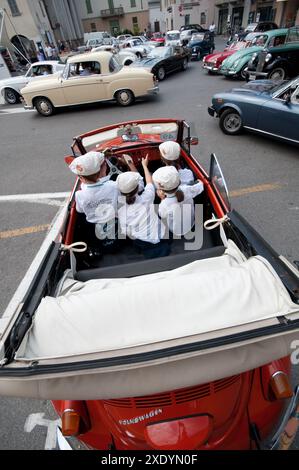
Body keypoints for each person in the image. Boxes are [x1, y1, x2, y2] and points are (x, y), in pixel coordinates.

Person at [117, 156, 170, 259]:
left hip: (143, 242)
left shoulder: (120, 210)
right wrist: (144, 165)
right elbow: (149, 182)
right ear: (138, 188)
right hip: (162, 235)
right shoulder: (147, 197)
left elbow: (126, 232)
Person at [67, 151, 119, 255]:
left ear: (81, 178)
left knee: (99, 243)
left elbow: (79, 210)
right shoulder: (113, 186)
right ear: (102, 170)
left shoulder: (79, 195)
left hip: (93, 227)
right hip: (114, 222)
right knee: (116, 241)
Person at [153, 166, 204, 237]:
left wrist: (162, 198)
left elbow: (161, 215)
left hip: (175, 231)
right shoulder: (187, 189)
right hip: (191, 224)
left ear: (161, 189)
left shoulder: (164, 204)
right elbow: (201, 185)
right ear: (179, 181)